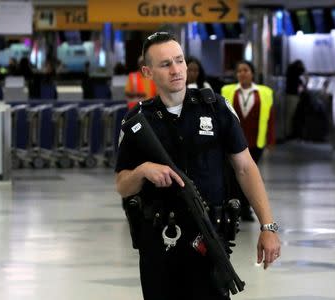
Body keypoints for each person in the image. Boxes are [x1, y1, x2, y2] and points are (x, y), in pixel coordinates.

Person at [115, 32, 280, 300]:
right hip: (159, 245)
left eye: (179, 60)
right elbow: (122, 185)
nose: (176, 69)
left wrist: (268, 227)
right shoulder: (137, 121)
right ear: (147, 71)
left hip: (209, 239)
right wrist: (143, 171)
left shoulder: (215, 109)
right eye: (165, 64)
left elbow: (246, 168)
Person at [221, 60, 275, 222]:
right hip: (234, 141)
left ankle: (246, 208)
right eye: (239, 71)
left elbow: (270, 118)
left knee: (250, 175)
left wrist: (270, 139)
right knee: (233, 175)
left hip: (255, 140)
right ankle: (235, 208)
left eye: (246, 70)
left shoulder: (265, 92)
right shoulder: (227, 90)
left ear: (252, 73)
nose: (242, 74)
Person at [285, 59, 306, 139]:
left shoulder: (291, 72)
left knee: (289, 115)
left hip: (290, 94)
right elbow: (302, 72)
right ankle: (289, 133)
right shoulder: (295, 72)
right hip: (293, 95)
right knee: (290, 115)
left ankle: (289, 132)